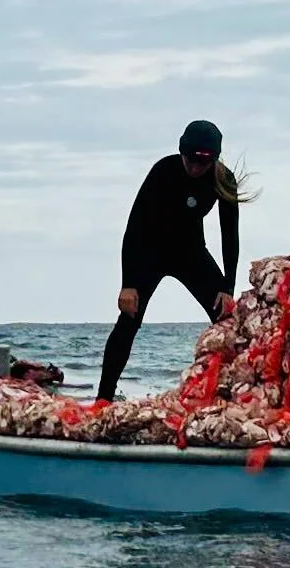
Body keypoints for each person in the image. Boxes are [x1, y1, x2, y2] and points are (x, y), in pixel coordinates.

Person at [96, 120, 258, 403]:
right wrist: (128, 284)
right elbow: (134, 227)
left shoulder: (223, 179)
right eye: (190, 160)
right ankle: (103, 399)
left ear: (214, 159)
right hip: (150, 252)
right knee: (128, 321)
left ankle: (239, 395)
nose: (195, 168)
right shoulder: (164, 170)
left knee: (226, 319)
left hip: (190, 253)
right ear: (181, 152)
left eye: (202, 163)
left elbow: (229, 236)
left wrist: (227, 287)